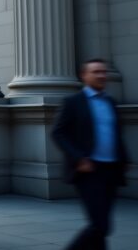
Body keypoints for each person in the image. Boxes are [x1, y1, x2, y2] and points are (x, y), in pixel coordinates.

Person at [52, 59, 130, 250]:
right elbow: (58, 132)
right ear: (84, 76)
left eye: (103, 72)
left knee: (101, 225)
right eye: (96, 72)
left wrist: (124, 159)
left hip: (111, 170)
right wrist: (78, 157)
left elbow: (116, 134)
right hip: (88, 171)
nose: (102, 75)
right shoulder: (73, 102)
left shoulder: (110, 102)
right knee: (100, 225)